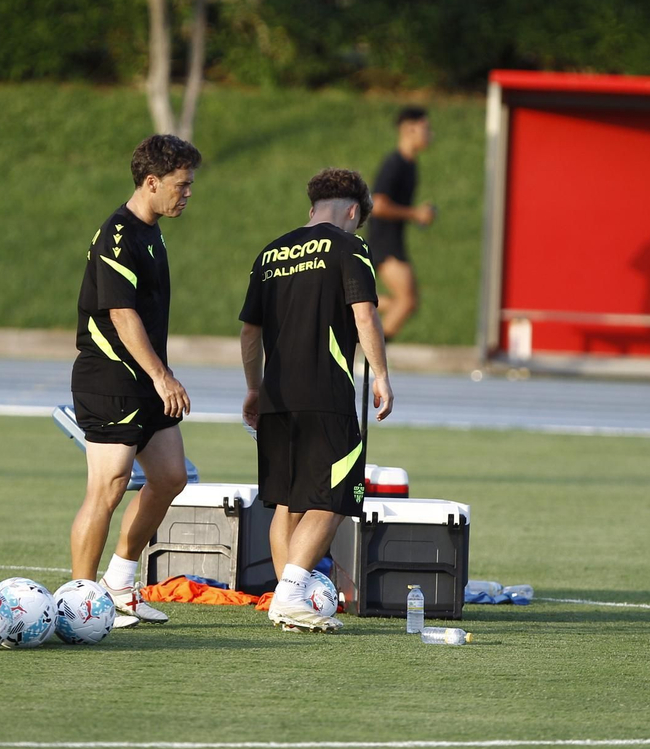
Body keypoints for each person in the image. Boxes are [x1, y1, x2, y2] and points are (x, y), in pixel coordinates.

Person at [239, 168, 393, 633]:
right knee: (335, 496)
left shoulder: (270, 253)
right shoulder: (350, 247)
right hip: (325, 393)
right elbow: (363, 314)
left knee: (287, 501)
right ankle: (290, 595)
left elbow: (250, 331)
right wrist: (381, 374)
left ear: (312, 209)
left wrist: (253, 386)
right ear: (352, 211)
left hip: (276, 396)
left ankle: (288, 602)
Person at [69, 134, 201, 628]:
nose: (187, 194)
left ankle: (119, 586)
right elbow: (122, 316)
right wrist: (163, 376)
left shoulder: (152, 231)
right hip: (111, 379)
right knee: (107, 488)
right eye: (181, 185)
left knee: (169, 478)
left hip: (144, 380)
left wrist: (159, 378)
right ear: (152, 182)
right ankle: (80, 606)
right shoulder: (119, 234)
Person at [368, 106, 435, 339]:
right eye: (426, 128)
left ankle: (358, 311)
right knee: (406, 301)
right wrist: (415, 214)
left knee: (408, 301)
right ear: (409, 129)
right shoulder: (394, 163)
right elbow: (377, 204)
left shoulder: (410, 164)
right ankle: (370, 356)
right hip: (384, 242)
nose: (430, 134)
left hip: (393, 240)